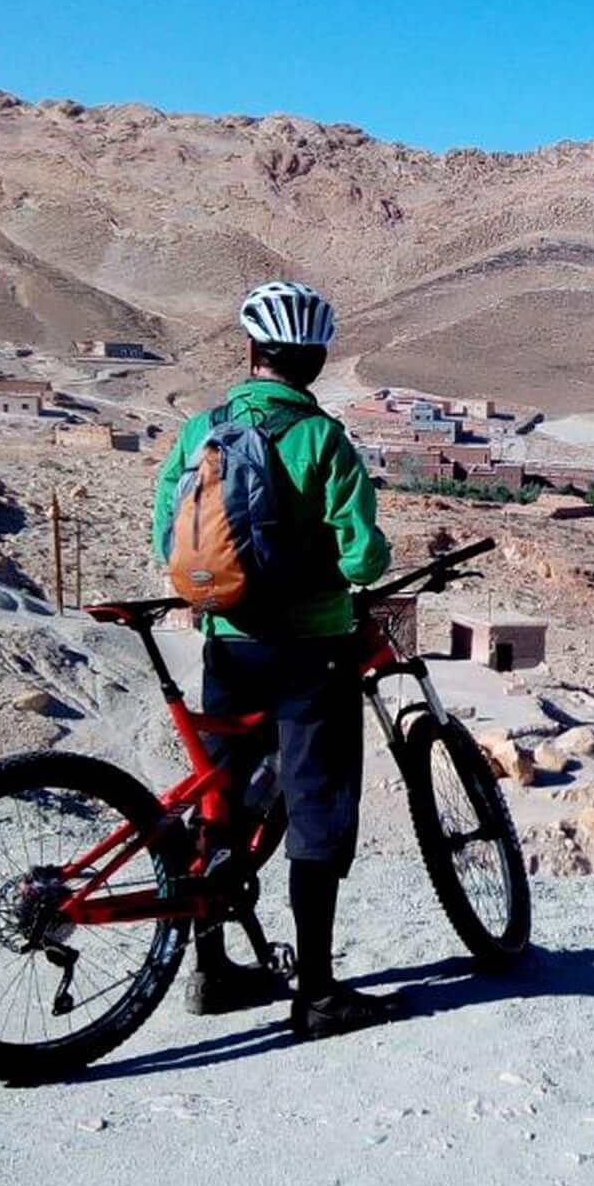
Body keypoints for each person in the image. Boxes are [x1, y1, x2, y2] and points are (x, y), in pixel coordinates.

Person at [149, 279, 398, 1040]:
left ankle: (213, 967)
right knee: (316, 808)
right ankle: (317, 993)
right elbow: (363, 556)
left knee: (223, 798)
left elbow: (166, 532)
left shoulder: (201, 432)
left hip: (227, 644)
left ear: (251, 351)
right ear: (316, 363)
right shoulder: (323, 440)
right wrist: (352, 560)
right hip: (311, 651)